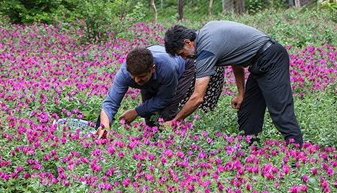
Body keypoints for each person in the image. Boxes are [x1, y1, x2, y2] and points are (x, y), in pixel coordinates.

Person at [163, 20, 303, 147]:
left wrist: (176, 121)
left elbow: (197, 97)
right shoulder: (206, 31)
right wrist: (241, 93)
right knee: (248, 113)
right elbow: (235, 57)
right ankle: (252, 153)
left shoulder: (206, 50)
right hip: (259, 62)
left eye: (182, 53)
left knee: (280, 111)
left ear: (188, 42)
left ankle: (297, 156)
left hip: (271, 58)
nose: (184, 58)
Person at [95, 45, 225, 139]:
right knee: (149, 116)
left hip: (183, 67)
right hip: (155, 69)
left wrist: (136, 112)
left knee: (167, 112)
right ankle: (152, 140)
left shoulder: (168, 69)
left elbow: (164, 99)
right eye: (133, 76)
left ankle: (171, 144)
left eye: (141, 76)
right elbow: (110, 102)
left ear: (152, 68)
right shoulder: (125, 73)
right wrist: (105, 127)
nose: (136, 80)